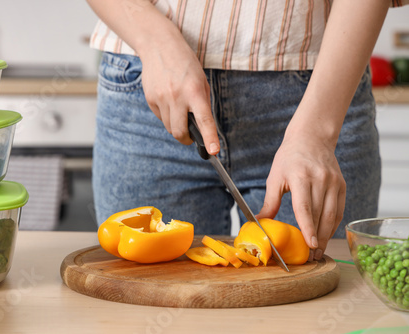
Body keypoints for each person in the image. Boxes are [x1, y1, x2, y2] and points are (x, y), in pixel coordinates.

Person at [86, 0, 408, 260]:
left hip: (319, 93)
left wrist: (317, 133)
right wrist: (155, 40)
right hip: (152, 86)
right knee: (145, 307)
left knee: (316, 310)